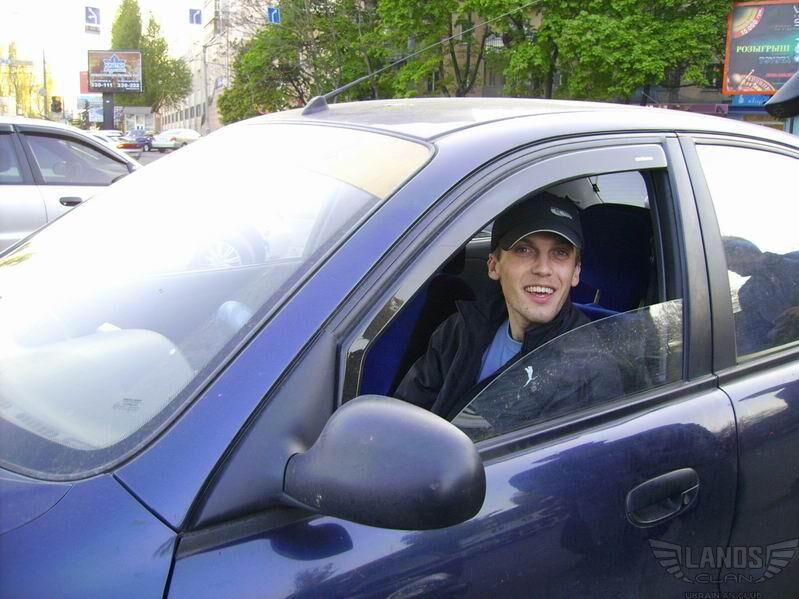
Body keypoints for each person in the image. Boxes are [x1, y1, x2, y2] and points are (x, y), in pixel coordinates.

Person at [394, 191, 621, 420]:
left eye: (560, 253)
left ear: (576, 272)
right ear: (494, 266)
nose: (543, 269)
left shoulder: (587, 372)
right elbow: (405, 414)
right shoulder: (460, 330)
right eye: (524, 250)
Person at [723, 237, 799, 353]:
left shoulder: (796, 261)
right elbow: (758, 339)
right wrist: (777, 333)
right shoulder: (747, 294)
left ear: (738, 251)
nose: (730, 269)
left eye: (728, 264)